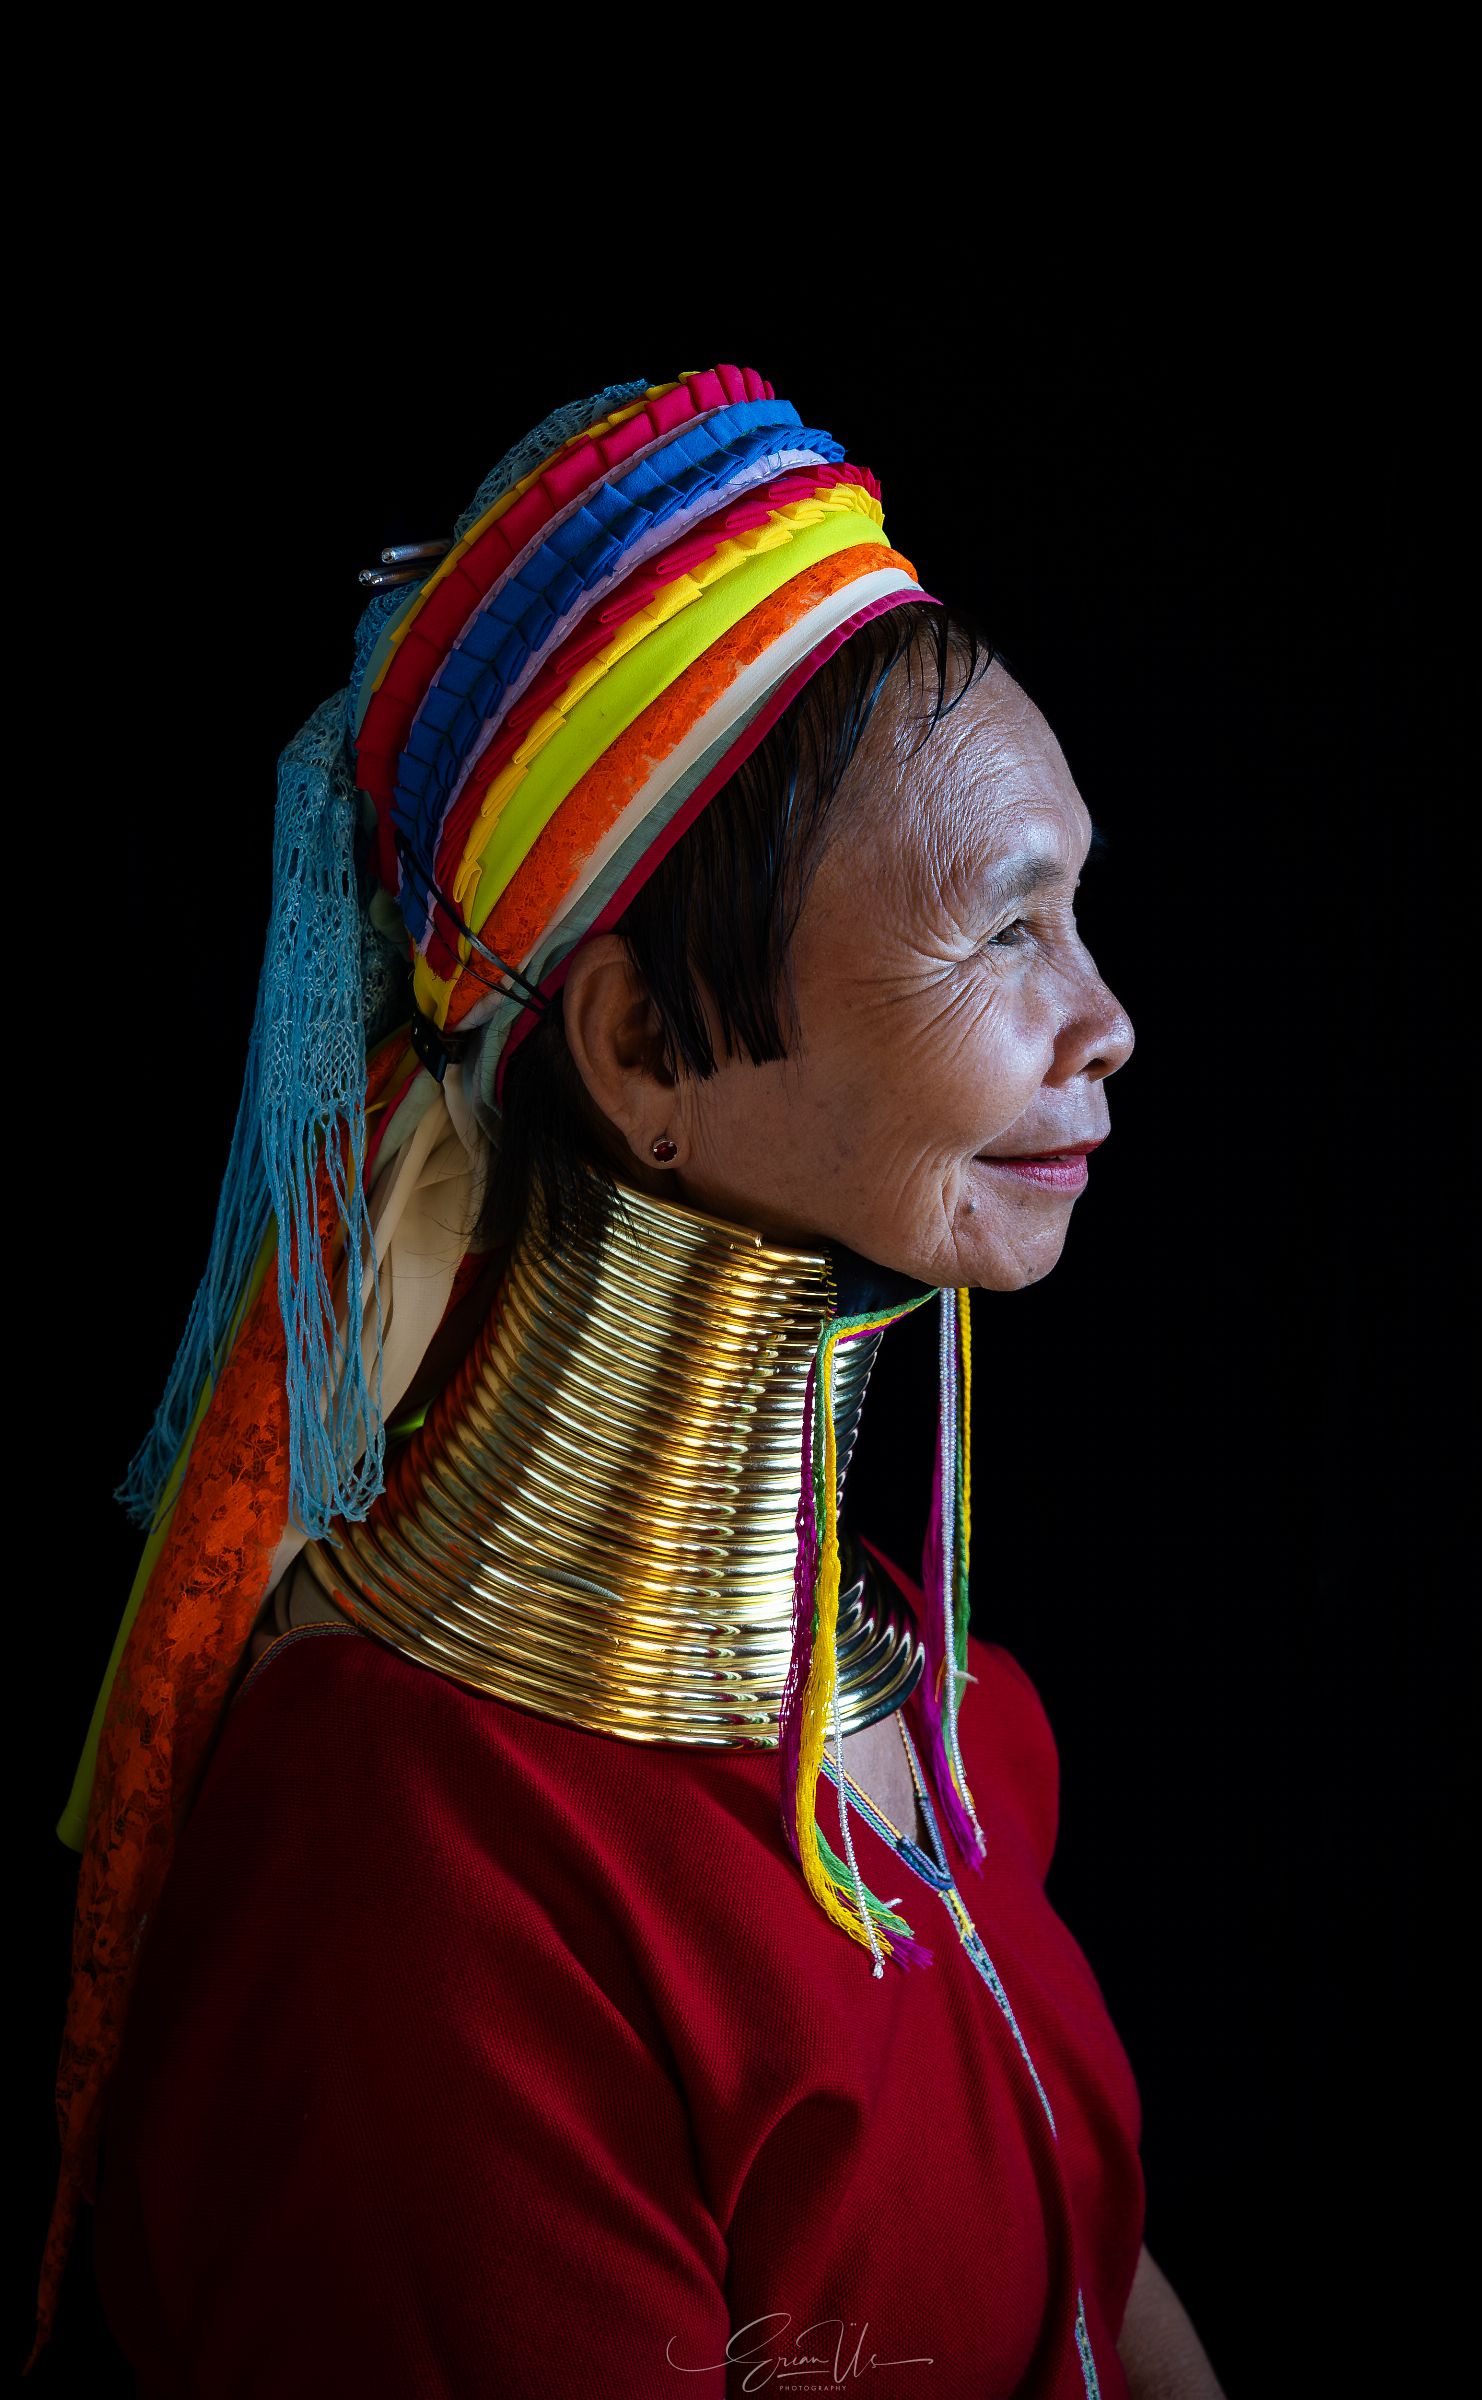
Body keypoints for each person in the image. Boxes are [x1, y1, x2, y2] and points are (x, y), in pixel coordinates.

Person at [30, 362, 1227, 2395]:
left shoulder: (938, 1715)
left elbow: (1098, 2296)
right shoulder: (411, 1873)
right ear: (645, 1047)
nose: (1103, 1018)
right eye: (1001, 930)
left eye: (1077, 909)